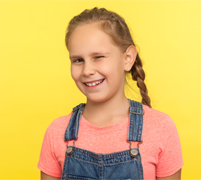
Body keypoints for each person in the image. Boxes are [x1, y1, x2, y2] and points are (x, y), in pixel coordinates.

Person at [38, 7, 183, 180]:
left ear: (127, 58)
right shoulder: (56, 132)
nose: (87, 70)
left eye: (98, 57)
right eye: (78, 60)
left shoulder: (161, 128)